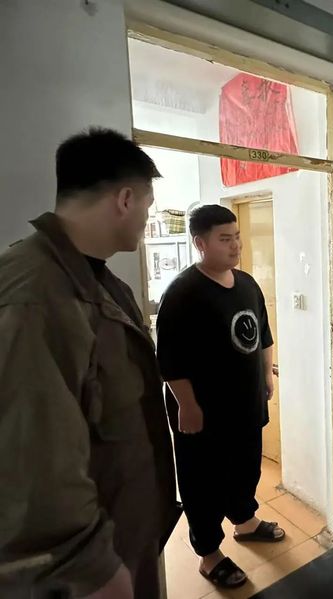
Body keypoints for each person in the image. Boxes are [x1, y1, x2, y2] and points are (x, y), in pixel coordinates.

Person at [0, 128, 179, 599]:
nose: (147, 217)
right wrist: (89, 566)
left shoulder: (102, 284)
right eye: (147, 204)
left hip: (123, 532)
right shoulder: (34, 297)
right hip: (86, 574)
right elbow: (30, 462)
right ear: (125, 199)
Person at [156, 205, 283, 589]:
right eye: (225, 239)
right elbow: (169, 360)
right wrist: (187, 405)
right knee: (203, 481)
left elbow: (262, 334)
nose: (235, 245)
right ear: (201, 243)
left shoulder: (246, 283)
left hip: (245, 405)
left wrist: (266, 374)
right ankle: (209, 554)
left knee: (246, 467)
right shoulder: (182, 293)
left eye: (237, 236)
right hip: (203, 413)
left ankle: (245, 521)